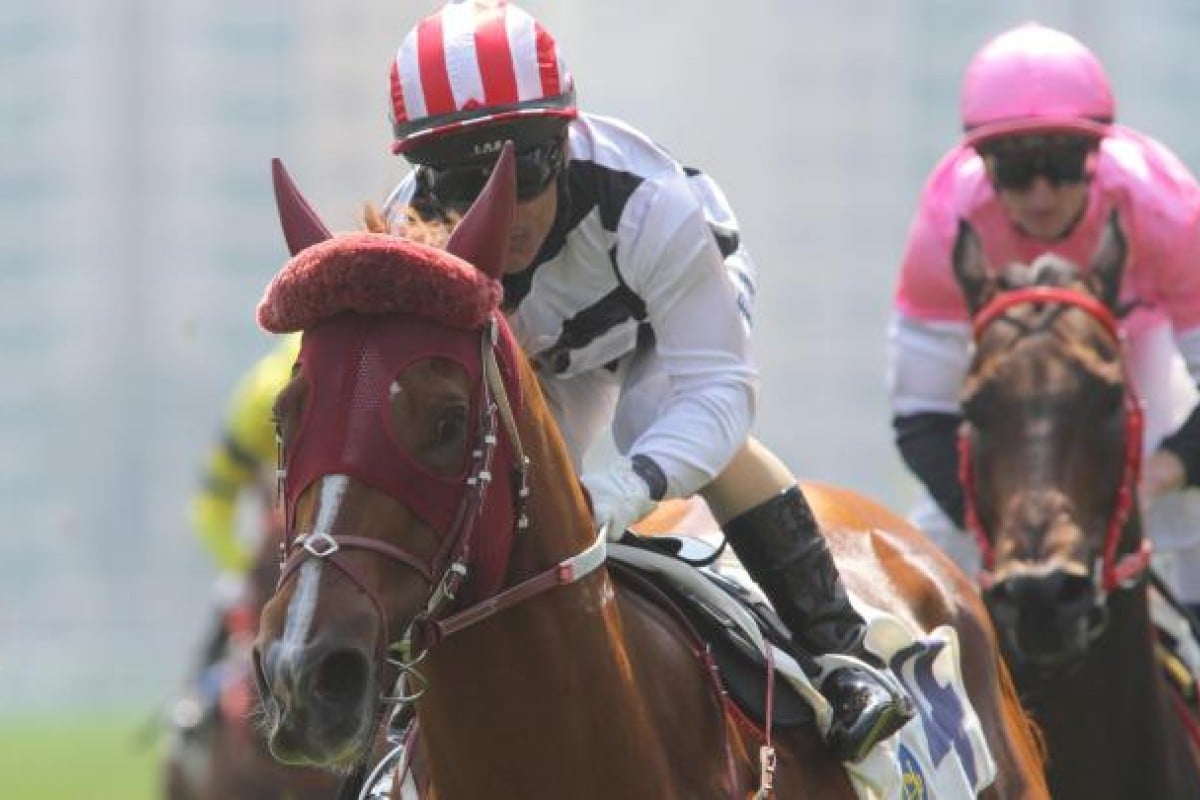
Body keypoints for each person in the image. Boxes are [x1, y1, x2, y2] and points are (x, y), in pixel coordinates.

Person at [376, 0, 913, 762]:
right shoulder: (417, 233)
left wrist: (631, 488)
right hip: (546, 351)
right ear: (425, 176)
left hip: (657, 318)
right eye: (465, 179)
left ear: (563, 136)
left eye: (522, 166)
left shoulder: (649, 204)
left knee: (656, 417)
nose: (501, 207)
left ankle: (841, 653)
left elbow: (720, 394)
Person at [888, 21, 1200, 613]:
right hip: (1008, 391)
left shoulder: (1165, 207)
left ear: (1094, 156)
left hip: (1135, 355)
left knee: (1189, 513)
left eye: (1059, 164)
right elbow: (922, 416)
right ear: (980, 163)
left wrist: (1165, 472)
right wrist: (987, 515)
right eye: (1013, 169)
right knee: (932, 544)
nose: (1039, 194)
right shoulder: (945, 225)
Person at [180, 333, 300, 713]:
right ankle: (197, 707)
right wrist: (244, 567)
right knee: (230, 597)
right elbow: (212, 503)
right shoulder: (263, 395)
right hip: (271, 540)